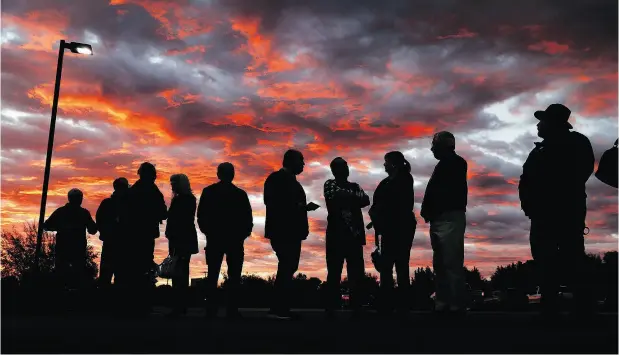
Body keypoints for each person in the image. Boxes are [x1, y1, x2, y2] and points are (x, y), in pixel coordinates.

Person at [518, 104, 595, 317]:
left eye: (542, 121)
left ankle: (583, 307)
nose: (538, 125)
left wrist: (550, 196)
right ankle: (551, 305)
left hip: (564, 212)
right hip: (543, 214)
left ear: (552, 123)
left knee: (571, 256)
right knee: (545, 257)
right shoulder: (540, 149)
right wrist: (529, 205)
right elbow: (527, 178)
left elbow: (581, 172)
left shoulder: (576, 143)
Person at [264, 149, 320, 320]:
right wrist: (302, 207)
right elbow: (273, 202)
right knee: (287, 265)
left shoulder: (293, 182)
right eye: (301, 160)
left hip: (292, 232)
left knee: (288, 267)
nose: (303, 164)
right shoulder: (276, 179)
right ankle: (278, 308)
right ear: (291, 161)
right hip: (283, 231)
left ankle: (280, 307)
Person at [420, 131, 468, 316]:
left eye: (434, 145)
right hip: (440, 217)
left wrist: (432, 208)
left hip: (448, 216)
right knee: (441, 262)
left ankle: (454, 304)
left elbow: (443, 192)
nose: (432, 149)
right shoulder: (445, 164)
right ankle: (444, 302)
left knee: (450, 261)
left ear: (444, 146)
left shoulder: (455, 163)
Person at [197, 163, 253, 319]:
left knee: (214, 275)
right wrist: (242, 234)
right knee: (232, 276)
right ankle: (230, 310)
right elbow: (247, 218)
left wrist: (208, 231)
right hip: (230, 240)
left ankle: (213, 310)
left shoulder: (209, 192)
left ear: (218, 174)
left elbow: (201, 215)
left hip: (220, 239)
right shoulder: (239, 194)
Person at [369, 151, 416, 316]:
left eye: (386, 162)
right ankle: (388, 304)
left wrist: (380, 214)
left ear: (393, 163)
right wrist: (376, 217)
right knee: (388, 266)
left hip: (401, 228)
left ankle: (401, 305)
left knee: (400, 265)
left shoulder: (404, 179)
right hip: (389, 229)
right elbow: (376, 205)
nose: (384, 165)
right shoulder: (387, 182)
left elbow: (399, 204)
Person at [323, 157, 370, 318]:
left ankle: (357, 305)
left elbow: (365, 199)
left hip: (354, 236)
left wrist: (347, 196)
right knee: (334, 272)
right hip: (336, 235)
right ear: (335, 170)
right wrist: (353, 197)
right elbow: (334, 196)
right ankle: (330, 306)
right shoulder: (329, 184)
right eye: (342, 166)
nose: (346, 169)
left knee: (356, 273)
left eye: (346, 166)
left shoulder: (354, 186)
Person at [125, 162, 167, 315]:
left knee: (134, 268)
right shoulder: (153, 191)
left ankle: (133, 303)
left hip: (133, 234)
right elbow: (163, 212)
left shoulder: (133, 191)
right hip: (146, 234)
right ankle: (142, 303)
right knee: (144, 267)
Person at [44, 188, 97, 290]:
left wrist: (59, 228)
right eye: (78, 198)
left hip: (66, 249)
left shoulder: (61, 212)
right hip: (75, 249)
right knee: (75, 274)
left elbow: (47, 226)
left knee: (63, 274)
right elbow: (92, 230)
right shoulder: (83, 213)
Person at [165, 174, 199, 316]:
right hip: (182, 238)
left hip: (181, 238)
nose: (172, 185)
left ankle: (179, 306)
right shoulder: (187, 199)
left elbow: (178, 220)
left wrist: (171, 232)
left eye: (174, 183)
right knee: (180, 271)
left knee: (179, 271)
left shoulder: (182, 200)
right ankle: (180, 305)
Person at [96, 178, 130, 287]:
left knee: (119, 277)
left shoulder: (109, 203)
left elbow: (99, 221)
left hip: (120, 244)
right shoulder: (109, 203)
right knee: (111, 276)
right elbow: (99, 221)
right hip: (115, 244)